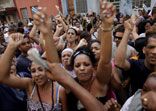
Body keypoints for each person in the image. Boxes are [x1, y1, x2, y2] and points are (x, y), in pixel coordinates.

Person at [32, 1, 116, 111]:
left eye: (86, 64)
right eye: (77, 65)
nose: (82, 68)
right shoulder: (70, 83)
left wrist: (106, 26)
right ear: (73, 68)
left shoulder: (100, 81)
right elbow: (55, 66)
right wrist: (47, 33)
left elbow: (105, 61)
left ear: (93, 66)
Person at [0, 33, 63, 111]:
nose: (37, 74)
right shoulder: (30, 85)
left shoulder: (59, 90)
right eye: (33, 71)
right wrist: (11, 46)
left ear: (47, 70)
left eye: (40, 69)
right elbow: (3, 77)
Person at [115, 20, 156, 95]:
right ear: (144, 50)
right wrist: (127, 31)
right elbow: (119, 62)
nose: (154, 52)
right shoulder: (136, 65)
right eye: (151, 47)